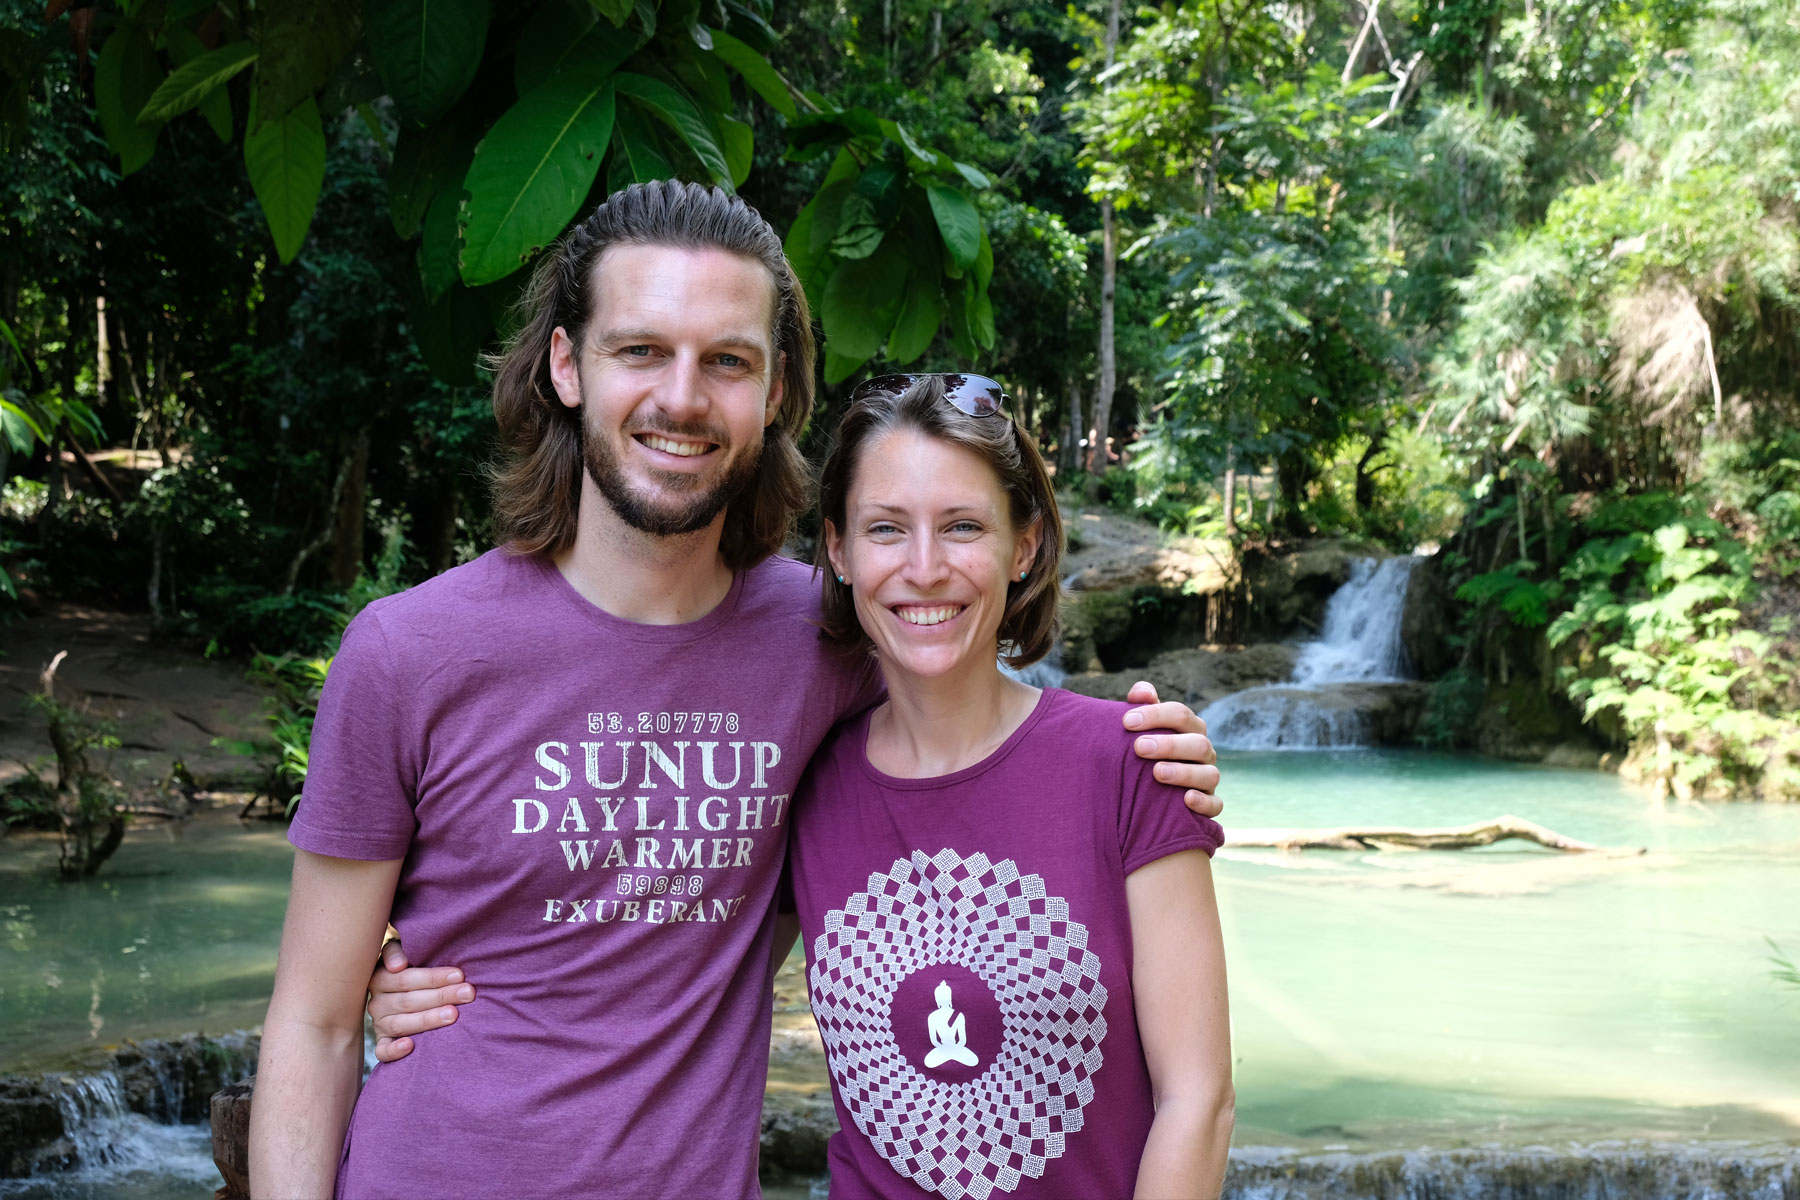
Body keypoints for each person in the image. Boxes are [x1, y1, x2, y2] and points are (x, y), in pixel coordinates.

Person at [248, 181, 1224, 1200]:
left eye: (726, 361)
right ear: (566, 365)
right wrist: (377, 980)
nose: (682, 397)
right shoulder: (409, 652)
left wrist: (1158, 755)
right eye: (642, 351)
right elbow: (314, 1021)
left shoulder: (827, 643)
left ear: (773, 391)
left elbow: (970, 729)